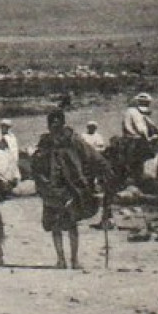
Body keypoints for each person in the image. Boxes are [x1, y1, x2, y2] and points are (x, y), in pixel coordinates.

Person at [31, 109, 103, 270]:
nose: (54, 125)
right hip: (51, 189)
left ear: (62, 123)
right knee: (55, 225)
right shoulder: (45, 142)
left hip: (71, 189)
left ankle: (75, 260)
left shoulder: (74, 140)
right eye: (52, 122)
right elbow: (36, 164)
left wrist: (102, 172)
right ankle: (61, 260)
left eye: (57, 122)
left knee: (72, 224)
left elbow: (91, 156)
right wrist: (42, 182)